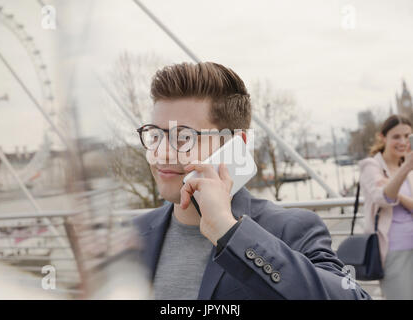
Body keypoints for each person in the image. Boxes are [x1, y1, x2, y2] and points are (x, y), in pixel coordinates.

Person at [134, 61, 370, 300]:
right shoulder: (132, 235)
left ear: (236, 146)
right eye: (155, 135)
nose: (160, 152)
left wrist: (230, 232)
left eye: (183, 137)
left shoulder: (292, 230)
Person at [359, 114, 413, 299]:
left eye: (407, 136)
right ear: (383, 137)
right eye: (396, 137)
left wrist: (396, 193)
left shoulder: (407, 167)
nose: (403, 142)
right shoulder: (371, 166)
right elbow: (382, 198)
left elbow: (391, 195)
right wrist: (406, 168)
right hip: (393, 251)